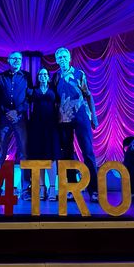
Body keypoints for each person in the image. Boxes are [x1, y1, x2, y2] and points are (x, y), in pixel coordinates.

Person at [52, 47, 99, 202]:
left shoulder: (79, 74)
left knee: (88, 152)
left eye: (65, 56)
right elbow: (54, 100)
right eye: (60, 57)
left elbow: (88, 95)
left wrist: (94, 118)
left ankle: (94, 190)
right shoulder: (56, 76)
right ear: (56, 60)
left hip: (81, 117)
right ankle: (72, 189)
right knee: (67, 154)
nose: (62, 59)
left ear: (69, 58)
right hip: (63, 119)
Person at [0, 51, 33, 200]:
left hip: (20, 119)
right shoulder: (1, 77)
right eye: (14, 58)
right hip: (4, 119)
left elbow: (29, 97)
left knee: (24, 153)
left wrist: (17, 111)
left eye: (19, 59)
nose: (17, 60)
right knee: (0, 154)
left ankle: (25, 189)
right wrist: (6, 112)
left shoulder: (26, 76)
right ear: (8, 60)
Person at [27, 67, 61, 201]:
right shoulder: (32, 90)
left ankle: (52, 187)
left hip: (51, 126)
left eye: (45, 74)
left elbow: (60, 104)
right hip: (36, 126)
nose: (43, 76)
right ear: (38, 77)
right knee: (39, 157)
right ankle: (42, 187)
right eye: (40, 74)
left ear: (48, 76)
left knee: (51, 156)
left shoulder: (54, 89)